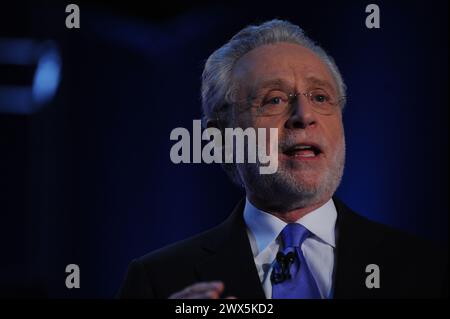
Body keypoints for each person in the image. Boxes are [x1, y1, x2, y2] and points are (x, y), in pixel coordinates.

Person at [118, 19, 447, 299]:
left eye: (320, 97)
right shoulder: (157, 281)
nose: (304, 115)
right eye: (273, 100)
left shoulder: (427, 270)